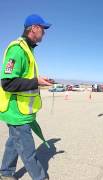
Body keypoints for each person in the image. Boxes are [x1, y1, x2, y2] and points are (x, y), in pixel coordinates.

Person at [0, 14, 53, 180]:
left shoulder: (27, 49)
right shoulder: (18, 49)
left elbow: (25, 78)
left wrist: (38, 80)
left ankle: (6, 173)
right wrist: (35, 82)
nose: (44, 33)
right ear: (34, 28)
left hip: (22, 110)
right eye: (43, 29)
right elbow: (7, 82)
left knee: (13, 143)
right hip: (17, 111)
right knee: (27, 149)